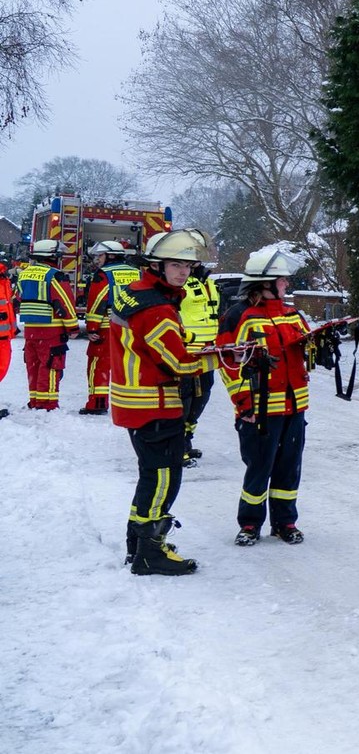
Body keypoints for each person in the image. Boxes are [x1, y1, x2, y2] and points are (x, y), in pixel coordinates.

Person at [110, 230, 222, 575]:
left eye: (188, 266)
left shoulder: (135, 292)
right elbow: (180, 363)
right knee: (162, 479)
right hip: (154, 404)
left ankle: (137, 544)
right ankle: (150, 554)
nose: (184, 272)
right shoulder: (156, 308)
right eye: (175, 265)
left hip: (135, 402)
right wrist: (224, 357)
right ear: (157, 265)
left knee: (149, 477)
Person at [218, 250, 312, 546]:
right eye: (282, 279)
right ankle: (249, 524)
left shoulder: (292, 314)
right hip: (259, 411)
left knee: (289, 469)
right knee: (259, 469)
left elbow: (305, 351)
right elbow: (229, 365)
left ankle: (285, 523)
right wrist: (244, 404)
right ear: (265, 283)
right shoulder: (238, 316)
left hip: (294, 408)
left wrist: (318, 344)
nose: (286, 283)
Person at [177, 231, 223, 466]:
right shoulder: (178, 281)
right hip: (185, 352)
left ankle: (186, 439)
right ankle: (177, 446)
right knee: (183, 398)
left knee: (201, 398)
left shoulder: (208, 281)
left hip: (208, 352)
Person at [16, 239, 77, 411]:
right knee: (51, 366)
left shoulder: (24, 274)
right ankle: (47, 403)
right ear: (51, 256)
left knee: (33, 366)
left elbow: (18, 298)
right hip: (51, 332)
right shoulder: (55, 275)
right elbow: (65, 303)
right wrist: (72, 327)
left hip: (30, 331)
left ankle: (35, 400)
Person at [81, 241, 140, 415]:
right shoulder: (136, 272)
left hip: (109, 327)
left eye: (100, 256)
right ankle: (133, 403)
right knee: (130, 365)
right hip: (134, 328)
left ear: (111, 256)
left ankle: (98, 403)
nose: (98, 259)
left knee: (98, 364)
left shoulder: (103, 274)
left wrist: (92, 327)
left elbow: (97, 301)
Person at [0, 258, 14, 420]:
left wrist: (12, 328)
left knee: (2, 368)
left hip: (4, 336)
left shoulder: (4, 279)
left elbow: (7, 305)